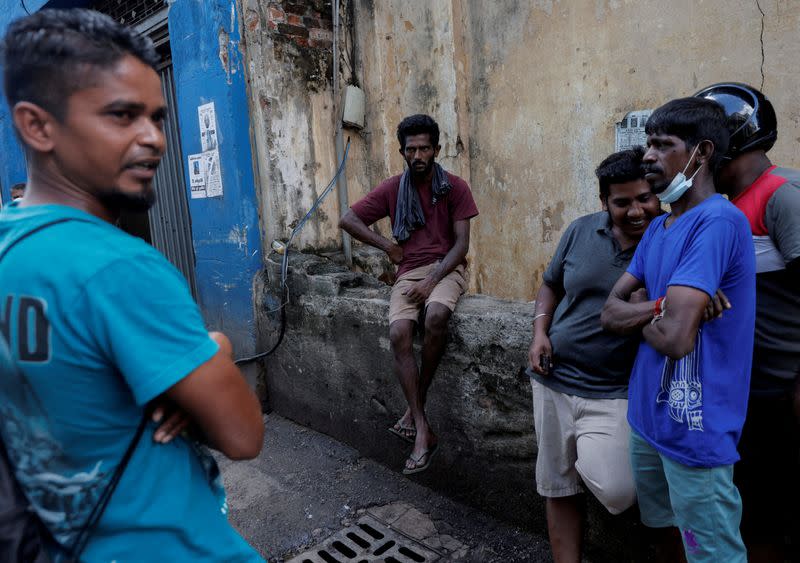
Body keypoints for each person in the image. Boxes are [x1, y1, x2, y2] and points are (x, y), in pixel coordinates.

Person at [0, 9, 264, 561]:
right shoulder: (119, 269)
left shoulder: (8, 240)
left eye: (157, 117)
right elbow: (243, 433)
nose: (154, 139)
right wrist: (215, 347)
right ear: (38, 125)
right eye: (123, 116)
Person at [601, 97, 755, 563]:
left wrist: (642, 311)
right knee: (664, 533)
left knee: (713, 553)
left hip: (696, 428)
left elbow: (675, 340)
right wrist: (666, 305)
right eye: (647, 143)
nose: (647, 155)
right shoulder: (661, 227)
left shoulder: (718, 222)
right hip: (649, 419)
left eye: (662, 145)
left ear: (701, 152)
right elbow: (608, 312)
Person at [528, 147, 661, 563]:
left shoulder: (667, 239)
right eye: (622, 202)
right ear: (604, 202)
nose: (636, 211)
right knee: (558, 485)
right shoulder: (581, 230)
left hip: (615, 392)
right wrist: (539, 333)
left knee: (618, 490)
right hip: (552, 380)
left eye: (645, 198)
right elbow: (551, 284)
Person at [339, 114, 479, 474]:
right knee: (400, 332)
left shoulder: (455, 187)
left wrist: (433, 279)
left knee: (435, 316)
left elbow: (461, 245)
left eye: (424, 148)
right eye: (411, 149)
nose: (418, 155)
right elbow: (348, 220)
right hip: (407, 270)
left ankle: (415, 418)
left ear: (436, 150)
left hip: (446, 267)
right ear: (402, 151)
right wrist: (388, 246)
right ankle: (421, 426)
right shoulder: (392, 188)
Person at [696, 82, 800, 562]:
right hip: (745, 391)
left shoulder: (783, 195)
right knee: (757, 510)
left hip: (784, 387)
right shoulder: (725, 206)